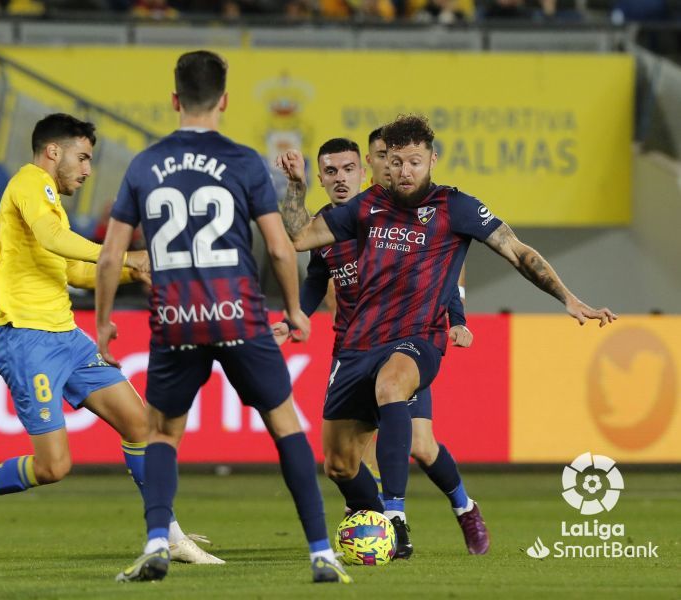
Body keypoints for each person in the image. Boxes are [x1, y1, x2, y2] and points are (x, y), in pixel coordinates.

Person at [278, 113, 616, 561]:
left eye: (414, 161)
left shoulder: (454, 206)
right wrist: (297, 187)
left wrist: (568, 299)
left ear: (432, 159)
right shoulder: (366, 207)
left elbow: (516, 250)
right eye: (396, 162)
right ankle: (383, 514)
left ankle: (395, 519)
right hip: (357, 343)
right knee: (340, 465)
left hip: (417, 338)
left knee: (395, 390)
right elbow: (300, 238)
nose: (404, 171)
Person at [95, 50, 351, 584]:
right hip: (238, 314)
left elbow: (109, 255)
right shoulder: (244, 161)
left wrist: (101, 322)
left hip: (177, 318)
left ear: (174, 100)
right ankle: (322, 553)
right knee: (285, 427)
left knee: (162, 434)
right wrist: (296, 311)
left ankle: (156, 544)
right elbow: (280, 248)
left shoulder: (144, 165)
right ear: (225, 100)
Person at [0, 113, 220, 566]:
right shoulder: (29, 183)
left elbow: (77, 271)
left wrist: (134, 266)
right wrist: (125, 254)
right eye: (82, 157)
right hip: (27, 340)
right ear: (52, 151)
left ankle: (167, 535)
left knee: (142, 426)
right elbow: (55, 238)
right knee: (53, 468)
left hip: (68, 337)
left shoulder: (48, 204)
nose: (86, 170)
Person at [275, 131, 489, 559]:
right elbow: (316, 276)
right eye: (331, 172)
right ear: (320, 178)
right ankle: (378, 524)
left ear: (367, 169)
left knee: (420, 446)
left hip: (405, 342)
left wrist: (458, 319)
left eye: (350, 168)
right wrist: (294, 315)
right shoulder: (330, 228)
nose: (341, 178)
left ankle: (458, 509)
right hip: (352, 348)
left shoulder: (394, 215)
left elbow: (439, 277)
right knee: (341, 463)